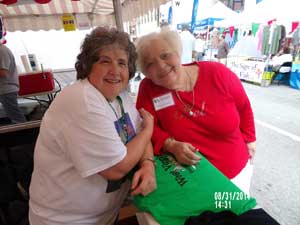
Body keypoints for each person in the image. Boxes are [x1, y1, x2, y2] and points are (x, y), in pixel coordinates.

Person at [29, 27, 156, 225]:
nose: (115, 70)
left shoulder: (120, 96)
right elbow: (117, 168)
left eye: (122, 63)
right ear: (88, 66)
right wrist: (149, 129)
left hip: (103, 216)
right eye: (105, 61)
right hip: (65, 221)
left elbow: (140, 137)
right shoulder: (83, 100)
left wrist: (148, 164)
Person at [135, 28, 256, 194]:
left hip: (235, 175)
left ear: (178, 52)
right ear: (145, 72)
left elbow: (243, 106)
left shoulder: (217, 73)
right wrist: (171, 145)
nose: (161, 66)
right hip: (190, 181)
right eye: (150, 64)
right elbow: (145, 126)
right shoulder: (148, 89)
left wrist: (250, 139)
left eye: (165, 55)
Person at [0, 43, 26, 124]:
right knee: (14, 116)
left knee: (17, 118)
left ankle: (26, 134)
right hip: (5, 89)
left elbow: (3, 72)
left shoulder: (1, 51)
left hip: (6, 89)